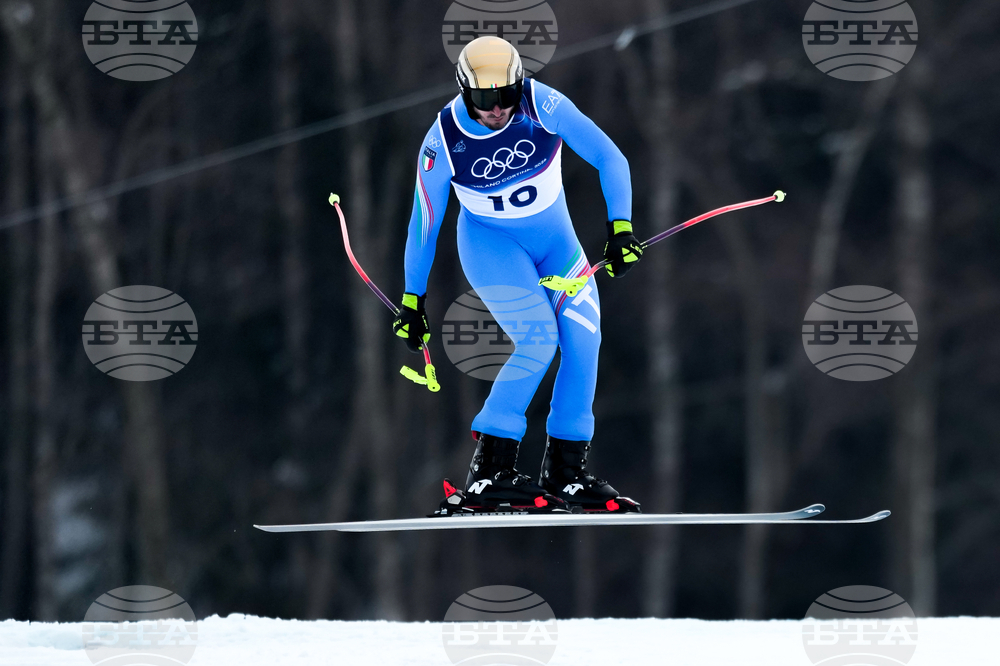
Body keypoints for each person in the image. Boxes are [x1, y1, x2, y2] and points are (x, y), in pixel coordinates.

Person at [393, 36, 643, 513]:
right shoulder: (443, 139)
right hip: (492, 247)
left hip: (557, 244)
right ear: (466, 92)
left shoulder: (542, 103)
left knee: (584, 338)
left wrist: (621, 230)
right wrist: (412, 299)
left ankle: (568, 472)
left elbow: (612, 158)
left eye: (507, 95)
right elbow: (424, 220)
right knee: (537, 340)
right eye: (485, 100)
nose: (498, 109)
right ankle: (489, 470)